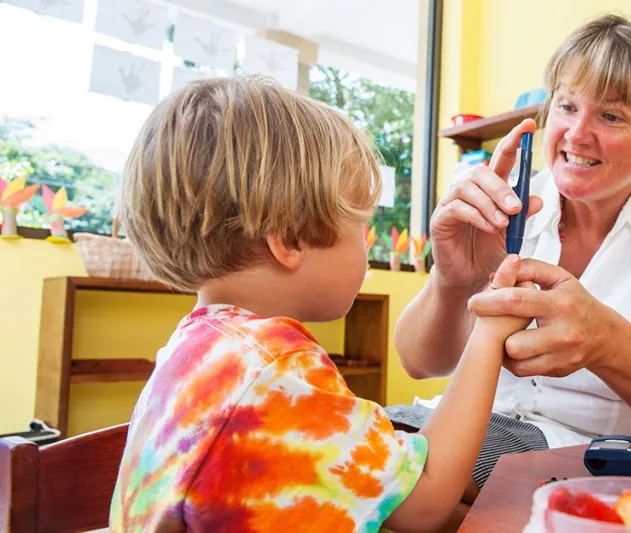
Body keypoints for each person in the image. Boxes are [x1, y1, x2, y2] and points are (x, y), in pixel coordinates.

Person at [109, 75, 534, 533]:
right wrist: (489, 332)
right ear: (291, 240)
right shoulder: (277, 366)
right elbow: (424, 501)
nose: (365, 252)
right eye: (361, 225)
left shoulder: (195, 349)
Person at [391, 13, 631, 496]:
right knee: (347, 444)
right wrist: (451, 279)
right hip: (459, 426)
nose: (578, 134)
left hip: (581, 456)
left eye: (611, 115)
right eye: (566, 106)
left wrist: (605, 341)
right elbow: (418, 362)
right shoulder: (503, 205)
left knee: (390, 480)